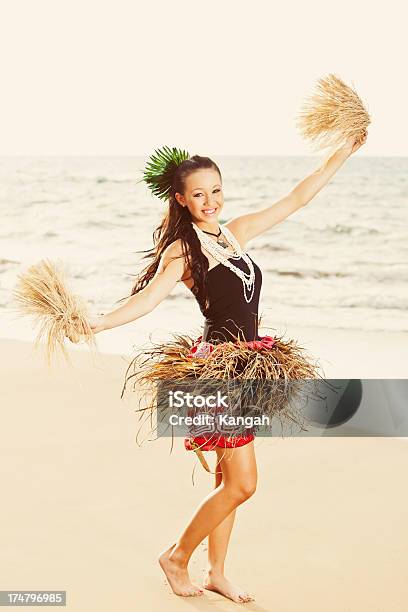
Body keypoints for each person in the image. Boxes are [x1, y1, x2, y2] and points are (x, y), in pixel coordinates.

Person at [88, 133, 367, 603]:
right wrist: (94, 324)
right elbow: (147, 300)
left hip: (247, 366)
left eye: (216, 190)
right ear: (180, 198)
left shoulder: (234, 232)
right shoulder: (183, 250)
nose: (210, 201)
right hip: (218, 372)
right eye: (198, 194)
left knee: (225, 480)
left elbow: (298, 197)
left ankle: (216, 571)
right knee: (244, 484)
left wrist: (343, 151)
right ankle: (176, 557)